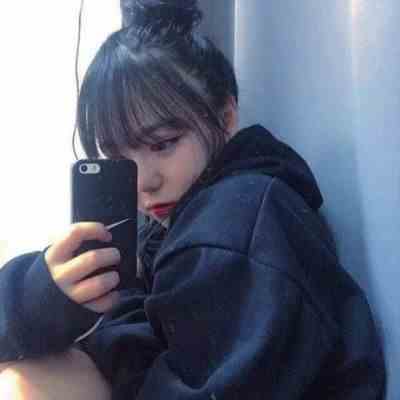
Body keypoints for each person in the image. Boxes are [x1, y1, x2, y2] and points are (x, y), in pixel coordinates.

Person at [0, 0, 386, 399]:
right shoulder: (181, 222)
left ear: (226, 118)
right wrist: (41, 290)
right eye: (118, 160)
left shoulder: (232, 234)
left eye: (163, 144)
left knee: (21, 384)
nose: (144, 182)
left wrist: (114, 306)